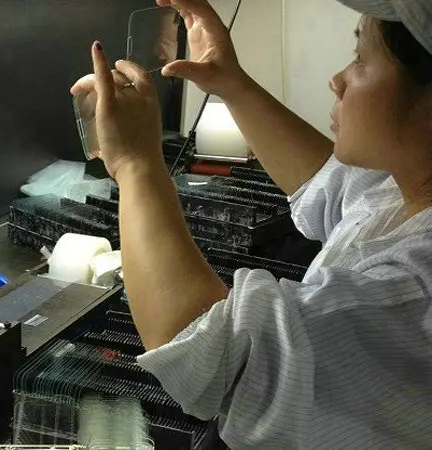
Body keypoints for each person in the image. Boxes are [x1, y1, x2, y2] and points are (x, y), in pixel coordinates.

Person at [70, 0, 432, 447]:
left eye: (361, 59)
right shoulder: (404, 196)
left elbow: (211, 356)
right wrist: (229, 81)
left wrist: (134, 162)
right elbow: (336, 187)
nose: (337, 81)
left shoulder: (415, 292)